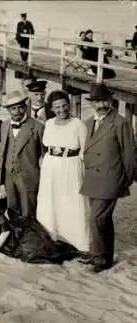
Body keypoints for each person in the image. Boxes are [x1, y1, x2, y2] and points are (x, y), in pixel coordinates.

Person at [79, 84, 135, 273]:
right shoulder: (87, 123)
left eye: (104, 101)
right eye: (96, 102)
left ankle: (100, 259)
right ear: (92, 103)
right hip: (92, 179)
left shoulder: (120, 123)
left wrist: (125, 180)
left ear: (111, 101)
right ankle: (102, 254)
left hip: (111, 179)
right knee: (102, 219)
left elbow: (129, 155)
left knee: (96, 218)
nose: (101, 105)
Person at [36, 91, 91, 254]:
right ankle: (54, 238)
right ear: (51, 109)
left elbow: (84, 150)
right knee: (51, 201)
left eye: (64, 105)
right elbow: (45, 146)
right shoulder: (49, 124)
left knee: (73, 202)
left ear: (69, 104)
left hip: (71, 166)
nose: (62, 110)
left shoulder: (78, 125)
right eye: (57, 107)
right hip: (51, 166)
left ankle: (78, 243)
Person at [0, 190, 79, 263]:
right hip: (8, 246)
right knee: (33, 255)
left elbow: (5, 231)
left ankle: (73, 252)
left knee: (42, 248)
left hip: (15, 233)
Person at [0, 90, 44, 221]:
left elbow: (44, 154)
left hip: (29, 175)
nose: (17, 111)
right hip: (8, 175)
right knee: (12, 208)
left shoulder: (37, 127)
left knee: (28, 210)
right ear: (8, 110)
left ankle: (29, 238)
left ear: (25, 107)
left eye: (20, 107)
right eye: (13, 108)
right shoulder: (5, 125)